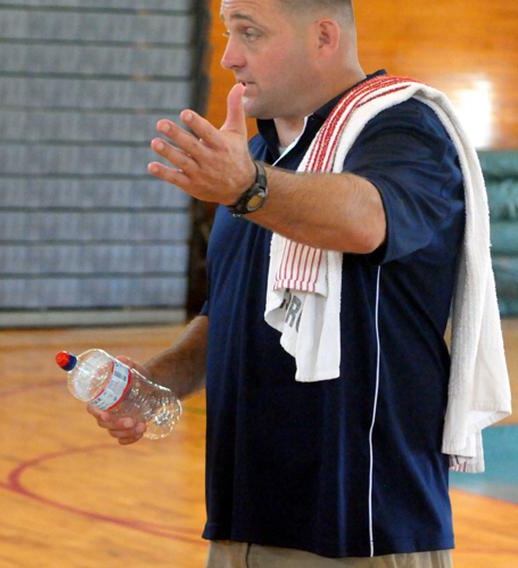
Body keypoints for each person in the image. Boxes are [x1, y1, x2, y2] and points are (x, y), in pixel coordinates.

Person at [88, 0, 510, 566]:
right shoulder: (257, 157)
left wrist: (249, 188)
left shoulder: (406, 130)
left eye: (251, 33)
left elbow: (366, 220)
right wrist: (155, 382)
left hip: (365, 530)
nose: (230, 57)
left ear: (324, 36)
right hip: (241, 523)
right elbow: (230, 315)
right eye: (226, 34)